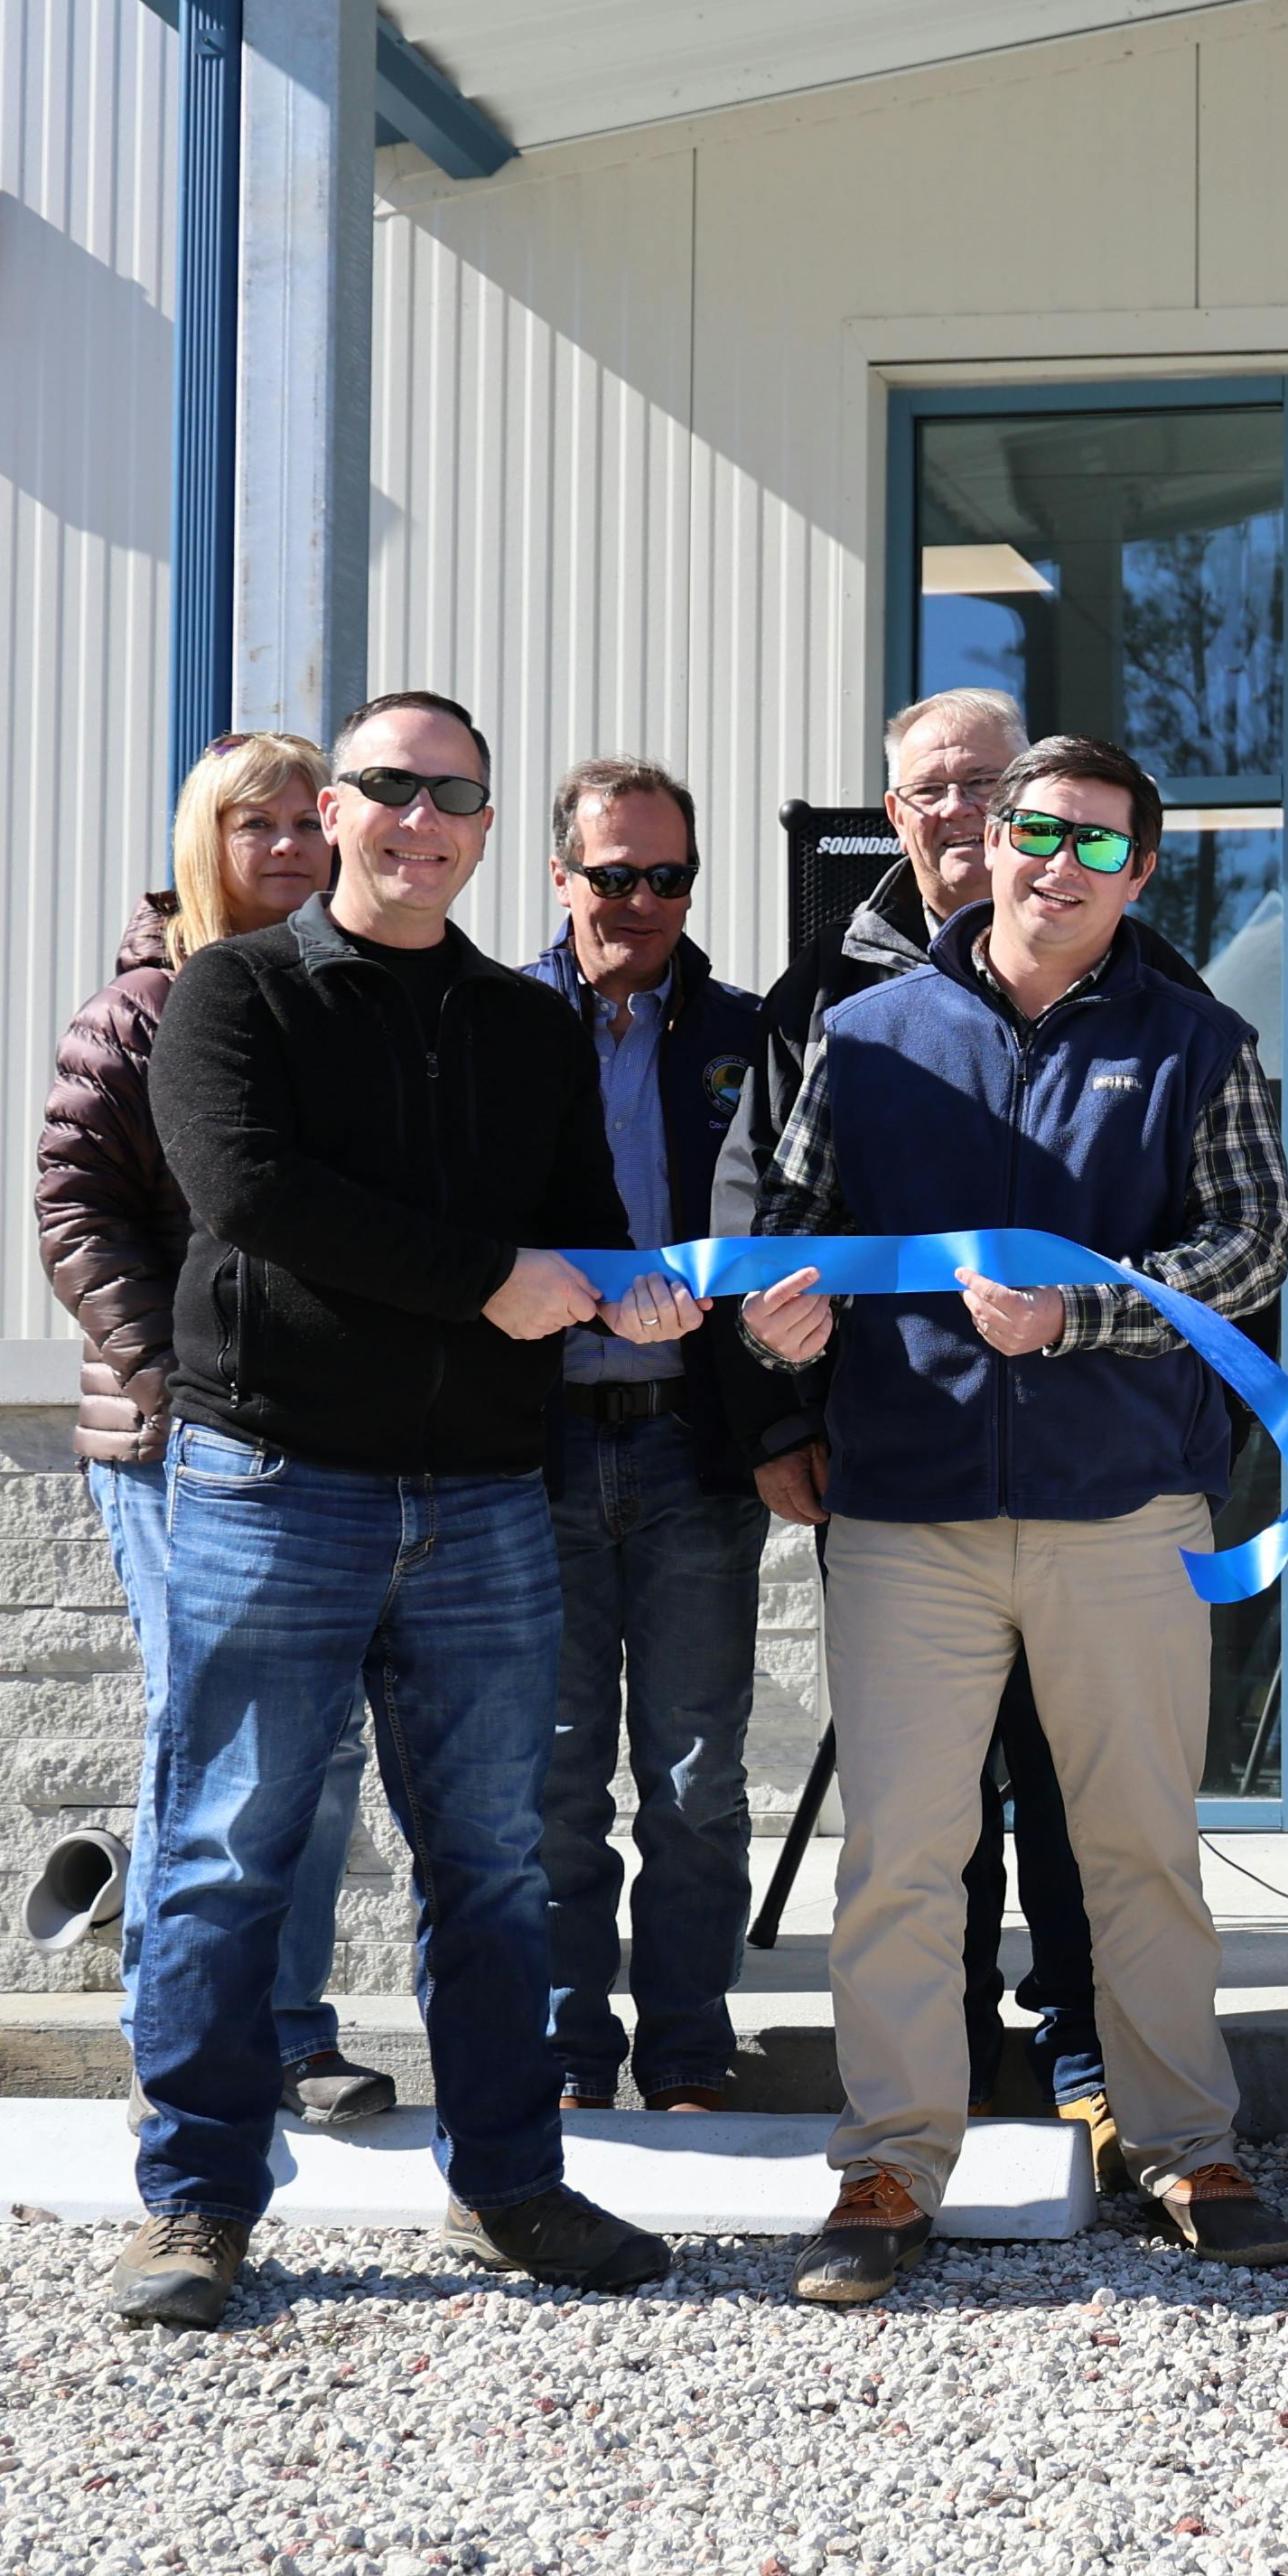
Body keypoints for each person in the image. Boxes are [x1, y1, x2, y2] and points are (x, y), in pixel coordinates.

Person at [105, 689, 692, 2331]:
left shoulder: (528, 1026)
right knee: (228, 1850)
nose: (421, 821)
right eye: (390, 789)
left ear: (490, 833)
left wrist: (648, 1299)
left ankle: (508, 2181)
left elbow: (581, 1227)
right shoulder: (230, 994)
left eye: (457, 799)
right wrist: (498, 1282)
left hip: (489, 1502)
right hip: (276, 1481)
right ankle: (198, 2200)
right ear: (340, 809)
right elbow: (255, 1200)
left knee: (494, 1865)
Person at [740, 734, 1288, 2305]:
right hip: (907, 1511)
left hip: (1122, 1510)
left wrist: (1081, 1320)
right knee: (904, 1856)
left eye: (1102, 848)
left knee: (1139, 1851)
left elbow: (1251, 1252)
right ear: (987, 839)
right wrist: (773, 1330)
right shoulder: (864, 1034)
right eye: (1037, 832)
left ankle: (1187, 2146)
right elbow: (788, 1230)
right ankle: (889, 2165)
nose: (1061, 866)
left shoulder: (1202, 1043)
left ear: (1143, 875)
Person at [714, 688, 1115, 2159]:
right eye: (931, 790)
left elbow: (1203, 1235)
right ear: (894, 816)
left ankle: (1087, 2042)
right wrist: (776, 1421)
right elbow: (762, 1226)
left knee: (1078, 1781)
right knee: (926, 1799)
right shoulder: (821, 996)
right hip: (897, 1470)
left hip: (1089, 1477)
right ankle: (941, 2048)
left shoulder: (1144, 974)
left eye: (987, 784)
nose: (961, 812)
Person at [35, 730, 391, 2130]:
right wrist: (182, 1390)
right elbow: (79, 1218)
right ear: (206, 839)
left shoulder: (348, 1004)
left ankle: (293, 2030)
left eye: (313, 822)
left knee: (322, 1742)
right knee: (214, 1731)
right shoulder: (133, 1013)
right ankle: (179, 2044)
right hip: (174, 1441)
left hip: (327, 1435)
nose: (295, 847)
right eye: (261, 826)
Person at [521, 757, 777, 2114]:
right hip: (535, 1451)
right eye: (611, 875)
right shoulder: (493, 1026)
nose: (638, 901)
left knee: (694, 1781)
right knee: (553, 1787)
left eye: (665, 877)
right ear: (558, 876)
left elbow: (787, 1231)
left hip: (693, 1451)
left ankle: (686, 2052)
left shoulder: (749, 1034)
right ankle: (568, 2059)